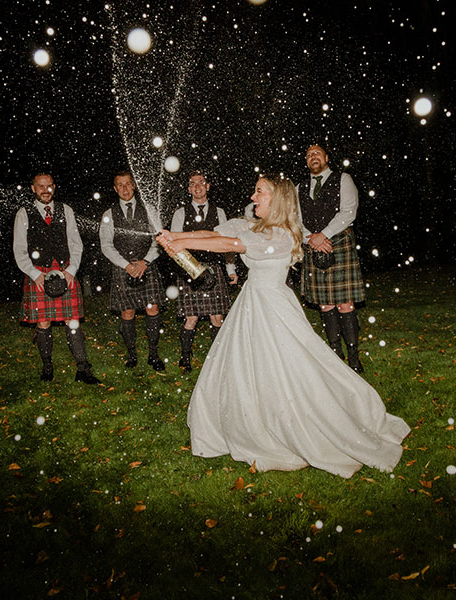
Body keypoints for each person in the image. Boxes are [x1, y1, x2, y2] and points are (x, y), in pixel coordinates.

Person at [156, 174, 409, 479]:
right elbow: (213, 233)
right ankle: (252, 416)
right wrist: (176, 236)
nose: (253, 196)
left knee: (289, 367)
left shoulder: (283, 235)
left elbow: (229, 244)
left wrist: (178, 241)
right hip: (251, 304)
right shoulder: (256, 227)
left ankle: (297, 422)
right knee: (248, 366)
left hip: (273, 308)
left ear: (277, 199)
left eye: (259, 192)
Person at [13, 172, 100, 385]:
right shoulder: (24, 213)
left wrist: (71, 270)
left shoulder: (66, 210)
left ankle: (83, 368)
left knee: (73, 322)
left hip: (64, 270)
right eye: (41, 186)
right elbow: (19, 250)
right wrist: (35, 275)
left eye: (49, 185)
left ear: (54, 186)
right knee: (43, 322)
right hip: (38, 273)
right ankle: (47, 366)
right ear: (33, 188)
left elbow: (76, 244)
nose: (46, 190)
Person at [297, 144, 366, 372]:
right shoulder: (299, 188)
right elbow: (295, 220)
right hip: (313, 246)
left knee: (345, 303)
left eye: (317, 153)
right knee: (325, 304)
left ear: (326, 157)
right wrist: (311, 238)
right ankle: (336, 354)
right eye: (309, 155)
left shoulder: (343, 179)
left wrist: (323, 235)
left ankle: (354, 356)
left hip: (338, 243)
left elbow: (349, 211)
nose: (313, 157)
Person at [169, 170, 238, 371]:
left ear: (208, 186)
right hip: (190, 270)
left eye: (201, 182)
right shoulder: (180, 213)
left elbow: (226, 244)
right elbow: (174, 245)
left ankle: (218, 357)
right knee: (192, 317)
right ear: (189, 189)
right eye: (193, 183)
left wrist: (230, 269)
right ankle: (185, 357)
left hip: (214, 269)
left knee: (217, 317)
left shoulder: (220, 212)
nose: (197, 187)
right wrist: (189, 269)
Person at [99, 171, 166, 371]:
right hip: (122, 267)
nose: (125, 189)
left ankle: (153, 354)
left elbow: (159, 239)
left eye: (128, 184)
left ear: (134, 186)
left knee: (152, 309)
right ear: (114, 188)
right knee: (127, 312)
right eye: (120, 185)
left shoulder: (149, 210)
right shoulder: (109, 214)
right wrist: (127, 265)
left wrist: (145, 261)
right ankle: (132, 354)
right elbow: (106, 245)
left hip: (148, 265)